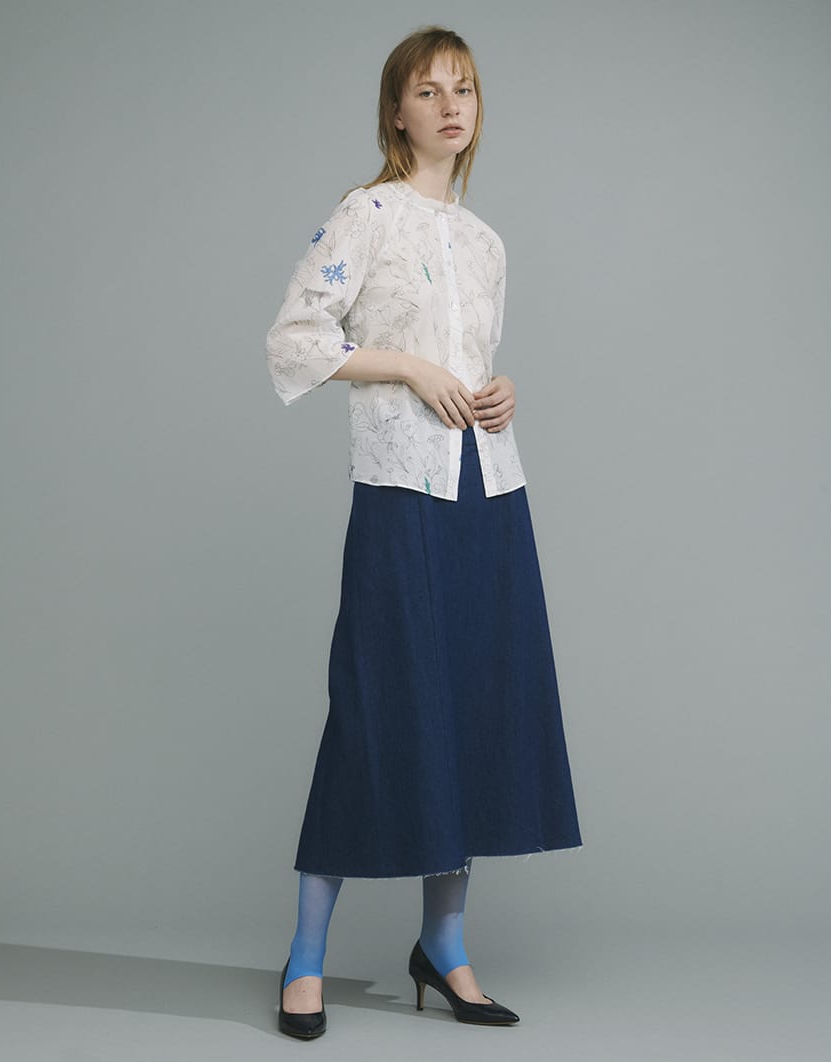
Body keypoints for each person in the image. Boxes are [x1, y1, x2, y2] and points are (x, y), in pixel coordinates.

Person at [264, 25, 583, 1040]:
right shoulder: (365, 214)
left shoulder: (486, 242)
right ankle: (305, 956)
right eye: (429, 90)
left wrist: (500, 389)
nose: (451, 106)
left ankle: (443, 946)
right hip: (401, 490)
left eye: (465, 90)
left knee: (474, 707)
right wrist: (405, 366)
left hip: (491, 490)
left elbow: (471, 357)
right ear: (395, 112)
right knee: (375, 709)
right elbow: (296, 340)